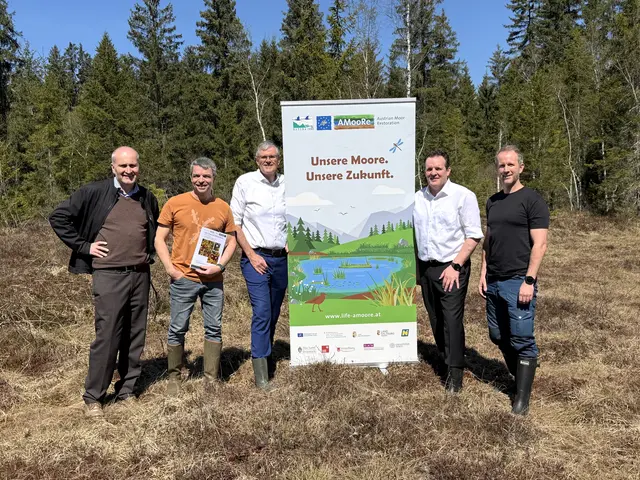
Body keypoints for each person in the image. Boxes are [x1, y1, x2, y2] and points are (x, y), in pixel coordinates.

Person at [49, 146, 159, 419]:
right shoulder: (94, 192)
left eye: (133, 165)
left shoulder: (147, 197)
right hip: (109, 275)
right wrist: (84, 246)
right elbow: (58, 217)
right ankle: (94, 397)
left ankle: (126, 391)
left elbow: (154, 229)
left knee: (134, 335)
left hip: (140, 274)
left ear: (139, 167)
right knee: (107, 335)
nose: (128, 171)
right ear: (113, 168)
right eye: (123, 166)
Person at [154, 157, 237, 396]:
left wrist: (219, 267)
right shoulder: (175, 203)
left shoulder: (223, 207)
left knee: (214, 328)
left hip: (213, 281)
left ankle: (211, 379)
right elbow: (159, 238)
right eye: (197, 176)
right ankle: (174, 377)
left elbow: (231, 241)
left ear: (213, 178)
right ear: (191, 177)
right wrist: (171, 269)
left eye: (206, 176)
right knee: (177, 328)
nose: (201, 180)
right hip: (184, 279)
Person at [479, 145, 549, 415]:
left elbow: (540, 244)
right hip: (494, 280)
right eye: (501, 165)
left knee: (521, 338)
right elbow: (489, 240)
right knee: (497, 335)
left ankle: (521, 398)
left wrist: (529, 281)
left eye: (510, 164)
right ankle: (521, 372)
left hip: (518, 280)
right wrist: (483, 272)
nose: (506, 169)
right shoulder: (493, 201)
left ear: (521, 167)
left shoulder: (532, 200)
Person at [413, 150, 483, 393]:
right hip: (426, 268)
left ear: (448, 171)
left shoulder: (463, 196)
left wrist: (456, 266)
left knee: (451, 321)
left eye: (438, 169)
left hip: (452, 267)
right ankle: (445, 359)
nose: (433, 173)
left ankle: (455, 375)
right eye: (429, 169)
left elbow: (473, 235)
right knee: (435, 318)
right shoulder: (418, 198)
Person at [230, 141, 287, 390]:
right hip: (256, 259)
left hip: (282, 259)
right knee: (262, 311)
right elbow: (234, 223)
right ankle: (262, 376)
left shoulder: (288, 184)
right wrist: (251, 254)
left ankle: (267, 352)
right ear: (256, 160)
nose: (268, 160)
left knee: (273, 312)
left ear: (278, 160)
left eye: (272, 156)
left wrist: (293, 240)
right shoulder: (245, 182)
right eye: (263, 157)